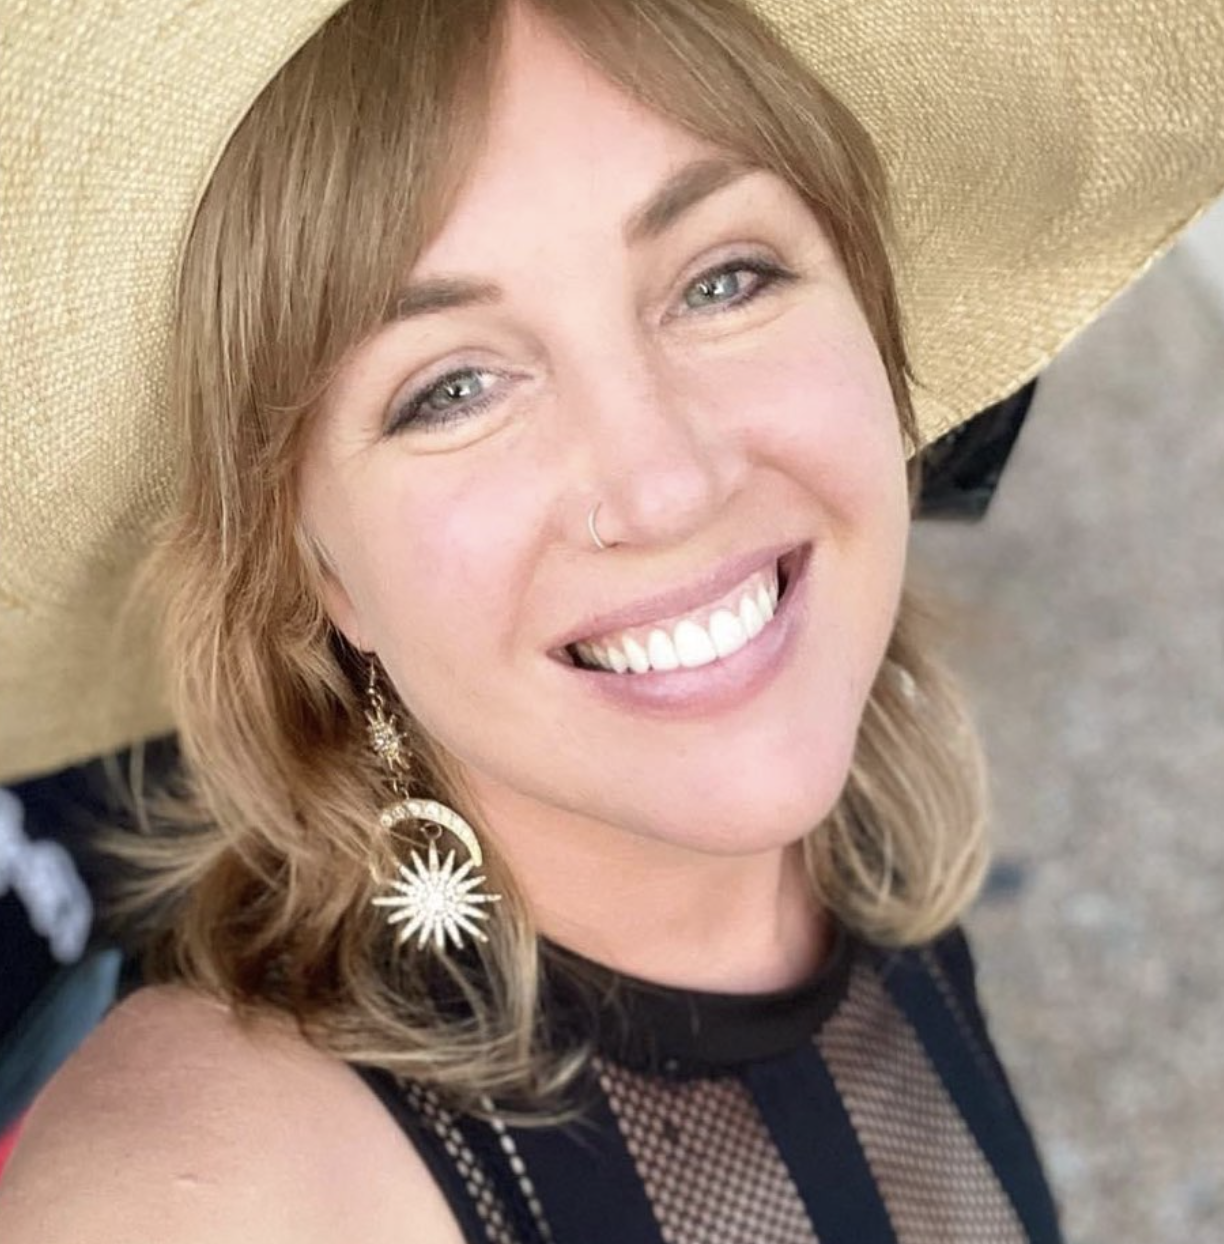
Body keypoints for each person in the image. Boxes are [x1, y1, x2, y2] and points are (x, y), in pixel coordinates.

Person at [0, 0, 1220, 1240]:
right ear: (321, 577)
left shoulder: (857, 862)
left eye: (723, 280)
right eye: (452, 388)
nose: (666, 484)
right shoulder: (216, 1186)